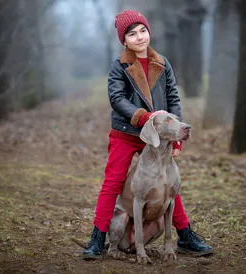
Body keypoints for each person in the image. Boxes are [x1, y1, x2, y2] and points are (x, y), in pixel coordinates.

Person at [83, 9, 213, 260]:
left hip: (159, 134)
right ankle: (98, 237)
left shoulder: (162, 63)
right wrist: (144, 117)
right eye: (132, 34)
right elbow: (117, 99)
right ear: (124, 40)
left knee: (167, 183)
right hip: (126, 131)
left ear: (149, 31)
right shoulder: (119, 65)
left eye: (143, 30)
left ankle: (185, 235)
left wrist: (174, 136)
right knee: (113, 182)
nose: (139, 37)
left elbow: (173, 99)